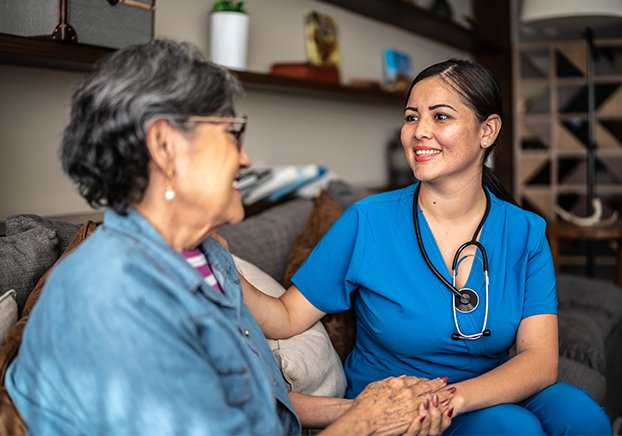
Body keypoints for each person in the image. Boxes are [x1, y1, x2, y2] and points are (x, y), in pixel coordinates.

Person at [5, 39, 455, 436]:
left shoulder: (208, 256)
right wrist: (365, 424)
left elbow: (254, 401)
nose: (246, 158)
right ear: (165, 146)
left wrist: (359, 408)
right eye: (231, 133)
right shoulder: (110, 299)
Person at [239, 59, 613, 435]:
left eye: (440, 117)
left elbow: (539, 360)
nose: (419, 132)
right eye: (411, 117)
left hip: (482, 390)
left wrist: (449, 399)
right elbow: (286, 317)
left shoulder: (526, 231)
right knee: (511, 428)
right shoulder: (367, 221)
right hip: (397, 403)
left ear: (488, 130)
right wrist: (214, 258)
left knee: (581, 414)